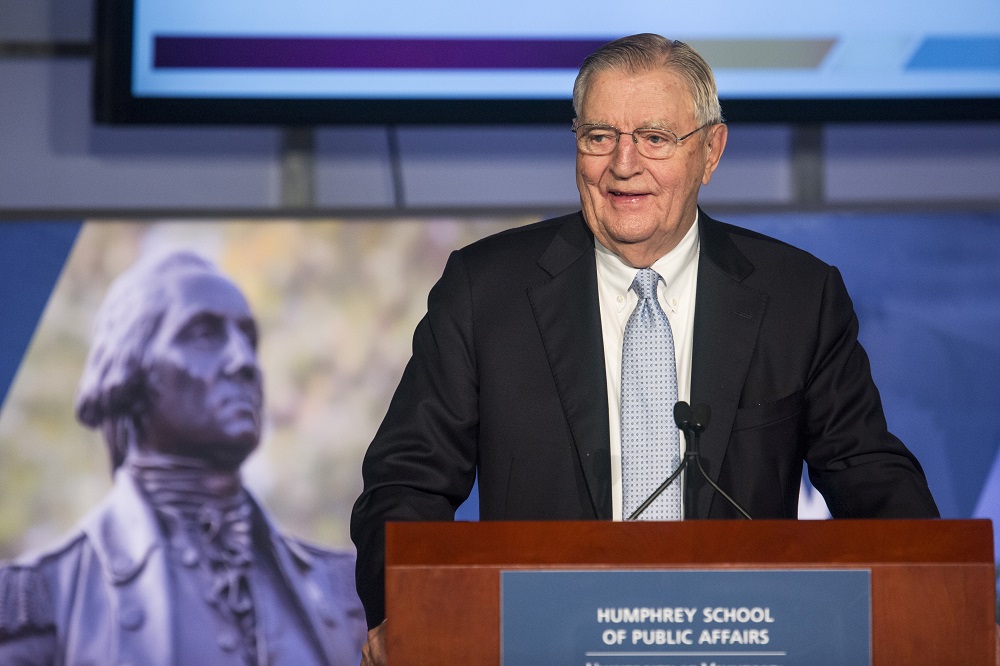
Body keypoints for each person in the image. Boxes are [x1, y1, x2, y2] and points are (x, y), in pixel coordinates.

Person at [350, 33, 939, 664]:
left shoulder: (797, 297)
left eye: (655, 138)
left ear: (710, 151)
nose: (623, 165)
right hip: (540, 643)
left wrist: (937, 604)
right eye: (599, 136)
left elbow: (871, 477)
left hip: (742, 644)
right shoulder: (485, 292)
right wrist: (407, 608)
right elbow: (406, 483)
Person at [0, 251, 366, 665]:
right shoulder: (43, 604)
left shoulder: (352, 595)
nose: (243, 360)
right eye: (204, 334)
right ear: (130, 367)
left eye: (248, 336)